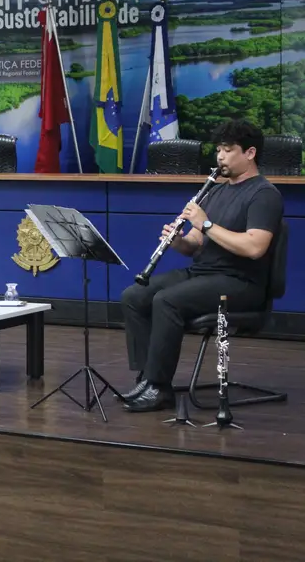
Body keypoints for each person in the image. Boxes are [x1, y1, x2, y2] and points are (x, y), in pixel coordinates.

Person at [118, 119, 284, 412]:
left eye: (228, 150)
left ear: (250, 153)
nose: (220, 157)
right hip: (203, 273)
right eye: (219, 150)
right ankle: (146, 378)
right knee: (134, 295)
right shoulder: (215, 190)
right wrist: (178, 240)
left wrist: (206, 224)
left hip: (241, 282)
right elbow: (195, 243)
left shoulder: (264, 194)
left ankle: (159, 388)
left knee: (166, 301)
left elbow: (254, 247)